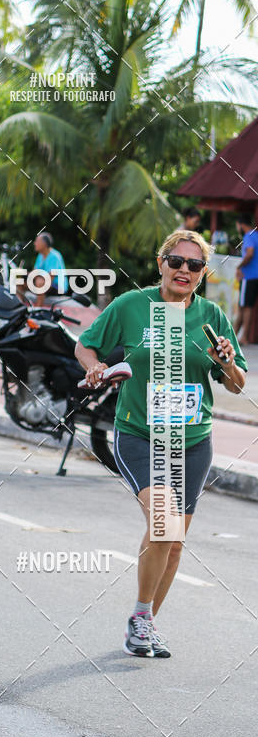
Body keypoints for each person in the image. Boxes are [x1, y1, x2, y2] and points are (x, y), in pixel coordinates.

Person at [75, 229, 247, 659]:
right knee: (163, 521)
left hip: (192, 442)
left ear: (203, 273)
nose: (183, 270)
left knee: (173, 543)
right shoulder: (131, 306)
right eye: (176, 261)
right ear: (160, 264)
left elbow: (237, 384)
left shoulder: (212, 319)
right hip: (139, 434)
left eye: (194, 265)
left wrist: (227, 362)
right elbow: (85, 345)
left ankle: (144, 622)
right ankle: (140, 616)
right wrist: (95, 367)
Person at [234, 213, 258, 345]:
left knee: (244, 307)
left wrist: (239, 266)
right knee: (248, 306)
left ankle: (242, 336)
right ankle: (242, 335)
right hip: (256, 276)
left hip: (248, 276)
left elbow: (249, 253)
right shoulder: (256, 235)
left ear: (240, 224)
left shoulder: (248, 236)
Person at [30, 232, 67, 307]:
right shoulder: (40, 255)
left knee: (40, 283)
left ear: (44, 244)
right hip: (44, 283)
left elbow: (50, 278)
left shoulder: (55, 256)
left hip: (57, 286)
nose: (34, 243)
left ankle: (37, 311)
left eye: (37, 241)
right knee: (20, 283)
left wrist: (36, 278)